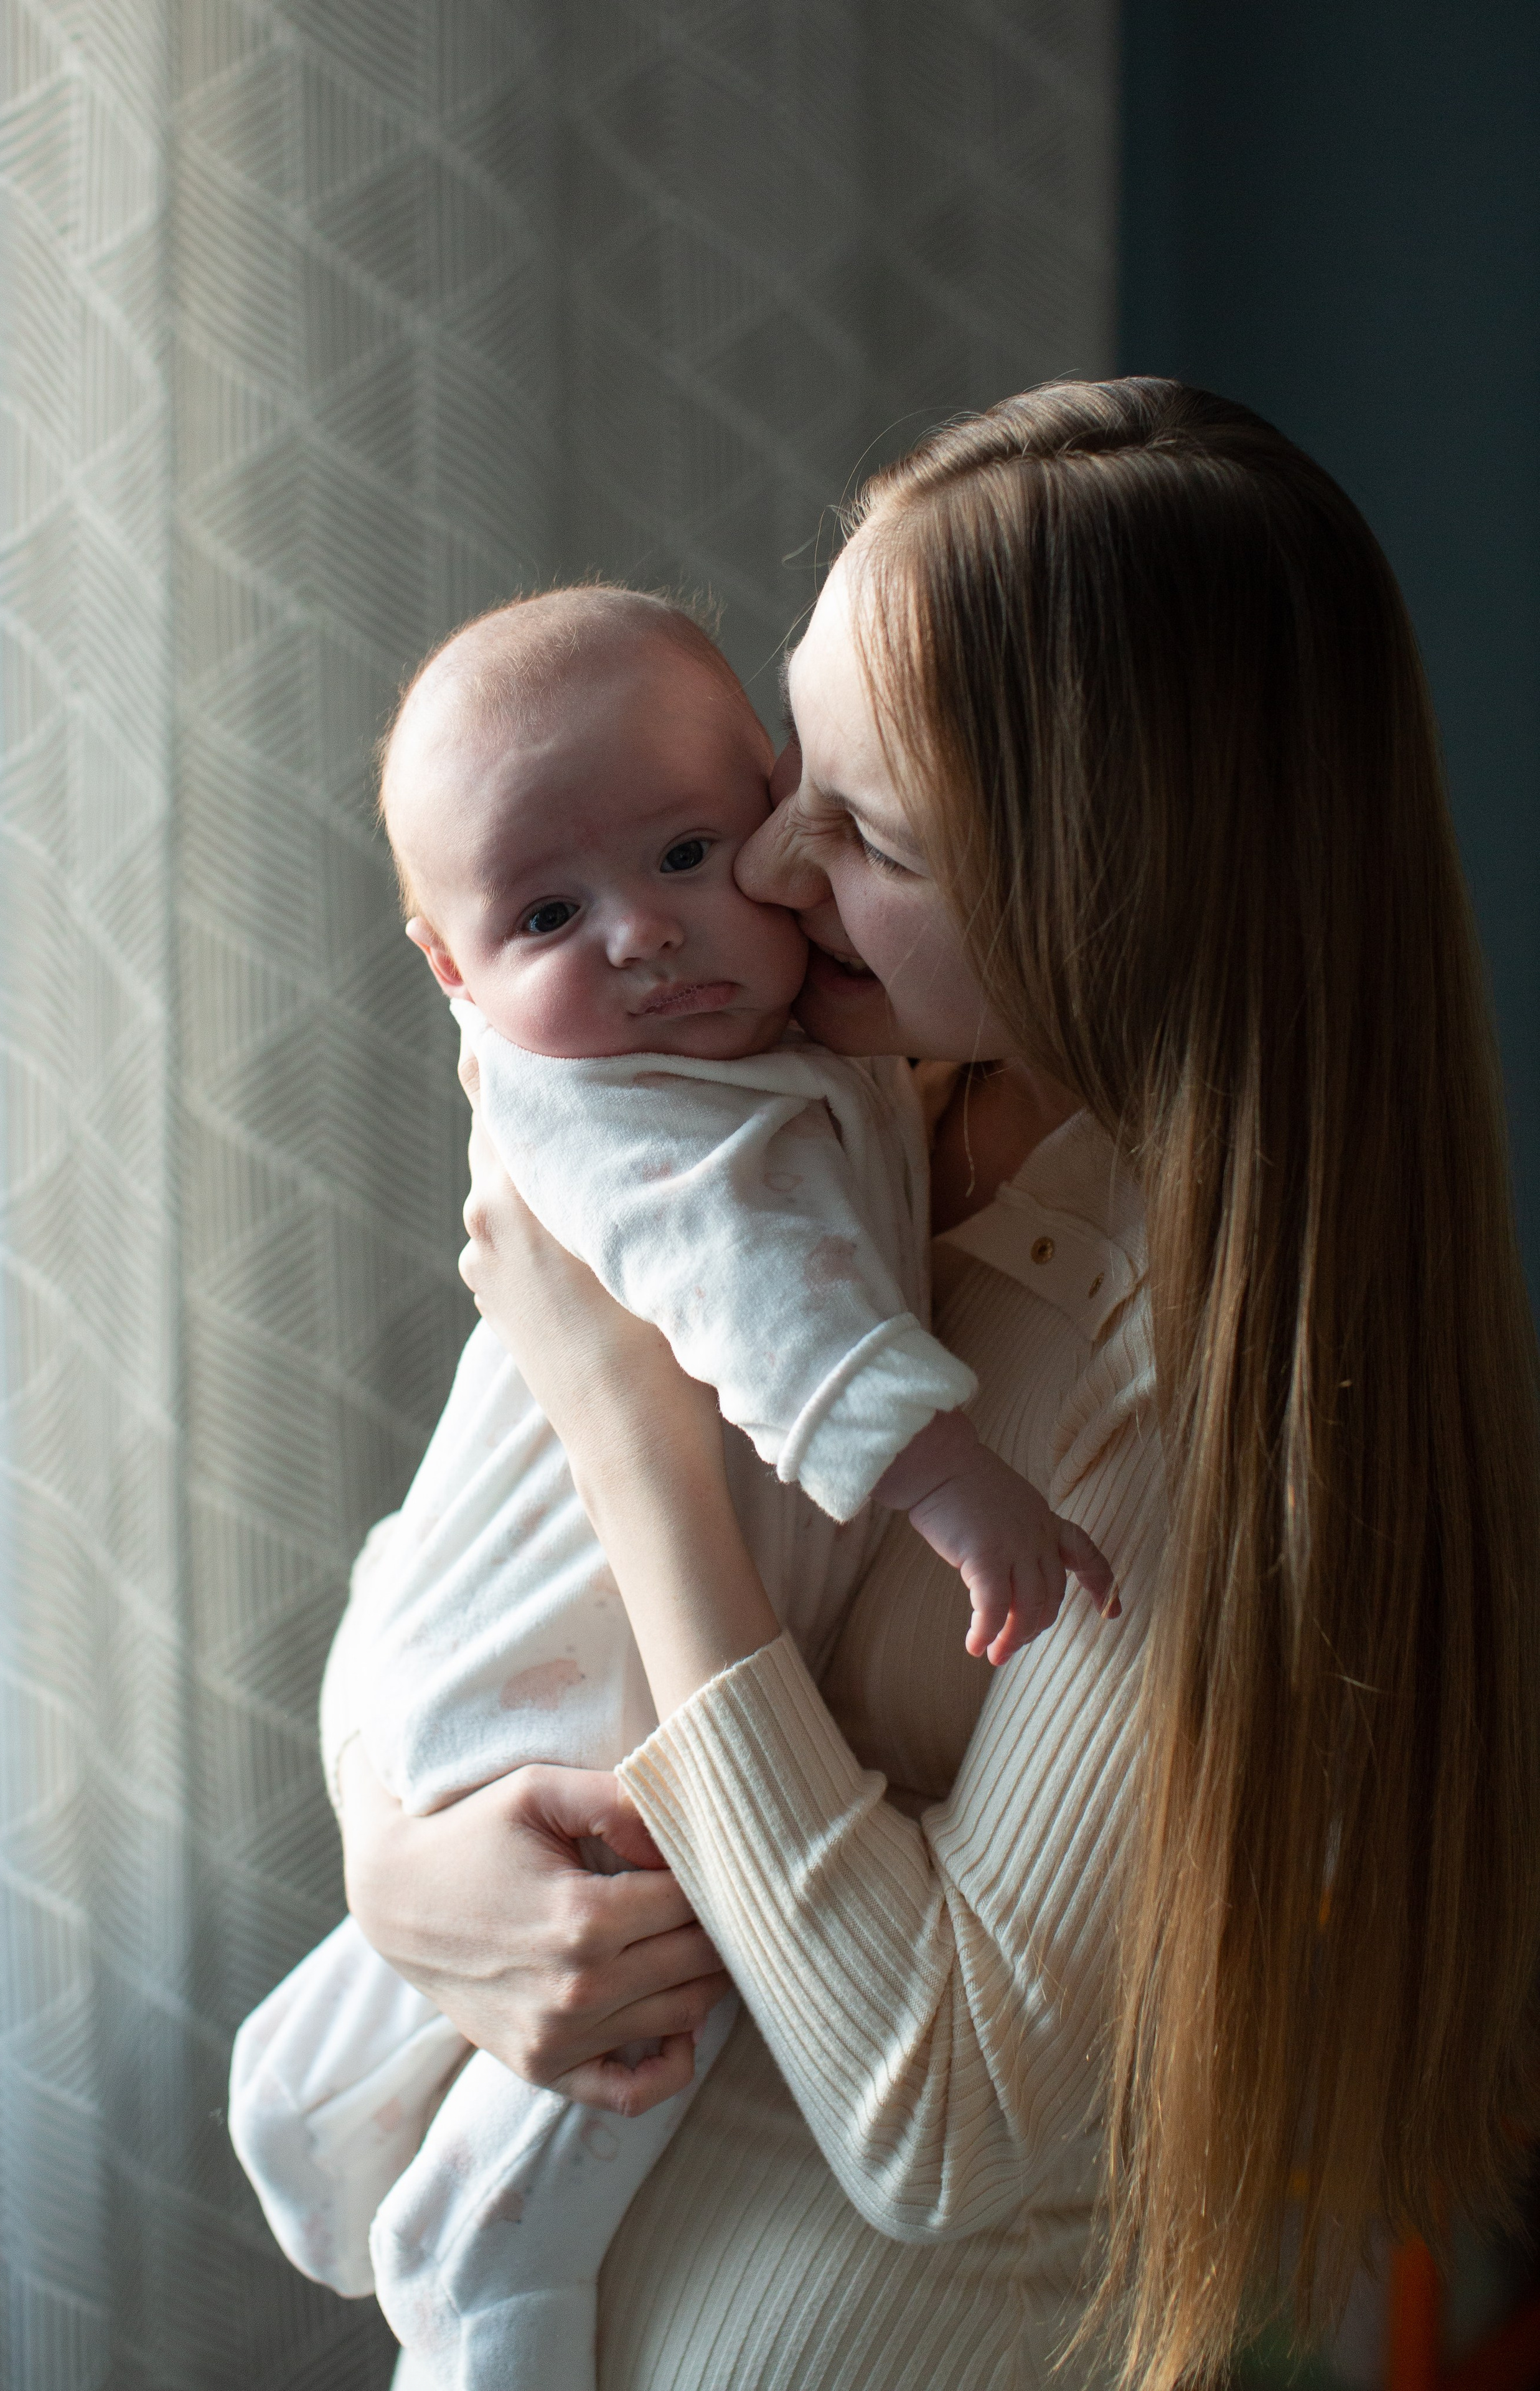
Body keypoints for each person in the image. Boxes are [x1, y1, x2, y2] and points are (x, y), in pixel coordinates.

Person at [332, 379, 1540, 2391]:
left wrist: (645, 1443)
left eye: (869, 833)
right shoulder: (808, 1118)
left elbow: (940, 2112)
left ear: (1103, 889)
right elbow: (437, 1567)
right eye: (797, 766)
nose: (772, 868)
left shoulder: (1221, 1394)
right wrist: (408, 1867)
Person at [230, 587, 1113, 2391]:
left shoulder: (1118, 1297)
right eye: (549, 913)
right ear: (453, 968)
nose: (682, 919)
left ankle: (333, 2100)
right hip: (540, 1673)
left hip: (578, 1706)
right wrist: (398, 1868)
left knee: (623, 1963)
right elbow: (773, 1322)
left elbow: (935, 2117)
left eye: (739, 836)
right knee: (619, 1959)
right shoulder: (638, 1105)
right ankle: (462, 2249)